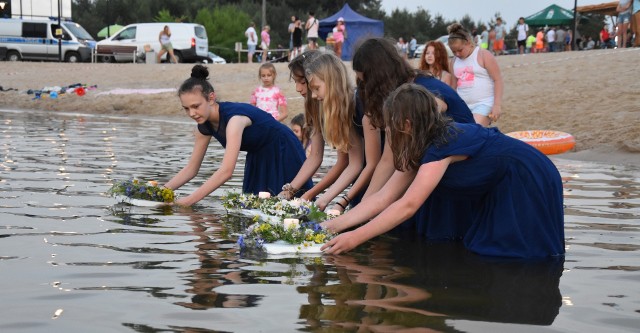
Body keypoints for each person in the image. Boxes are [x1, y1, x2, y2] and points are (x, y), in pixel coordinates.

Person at [321, 83, 565, 259]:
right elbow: (383, 198)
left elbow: (408, 205)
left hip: (526, 176)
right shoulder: (420, 143)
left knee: (517, 255)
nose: (388, 132)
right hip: (504, 179)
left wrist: (356, 238)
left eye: (390, 126)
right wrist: (331, 226)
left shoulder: (441, 144)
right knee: (485, 250)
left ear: (406, 125)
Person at [164, 65, 312, 206]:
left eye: (196, 106)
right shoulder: (204, 126)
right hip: (257, 155)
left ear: (211, 98)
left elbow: (227, 171)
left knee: (290, 206)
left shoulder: (234, 120)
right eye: (186, 108)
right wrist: (161, 191)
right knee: (256, 209)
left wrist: (189, 200)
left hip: (282, 149)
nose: (192, 113)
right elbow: (191, 169)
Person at [351, 37, 475, 200]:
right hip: (438, 163)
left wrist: (365, 206)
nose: (364, 87)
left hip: (465, 165)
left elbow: (438, 106)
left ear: (379, 76)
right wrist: (363, 205)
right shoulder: (403, 92)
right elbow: (387, 161)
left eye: (366, 81)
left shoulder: (419, 93)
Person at [448, 23, 503, 127]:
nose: (457, 54)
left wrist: (497, 105)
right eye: (453, 51)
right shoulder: (454, 61)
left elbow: (498, 80)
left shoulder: (483, 55)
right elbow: (453, 87)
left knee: (472, 130)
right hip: (462, 106)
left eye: (460, 50)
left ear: (468, 43)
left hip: (484, 103)